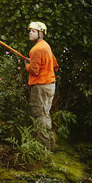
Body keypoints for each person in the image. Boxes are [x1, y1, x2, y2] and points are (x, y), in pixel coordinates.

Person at [25, 21, 59, 150]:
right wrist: (34, 62)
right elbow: (55, 65)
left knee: (39, 116)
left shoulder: (36, 49)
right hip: (50, 85)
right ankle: (51, 146)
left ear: (41, 34)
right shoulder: (46, 46)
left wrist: (26, 65)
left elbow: (34, 70)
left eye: (33, 31)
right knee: (45, 115)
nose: (30, 33)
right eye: (30, 31)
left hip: (41, 87)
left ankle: (43, 149)